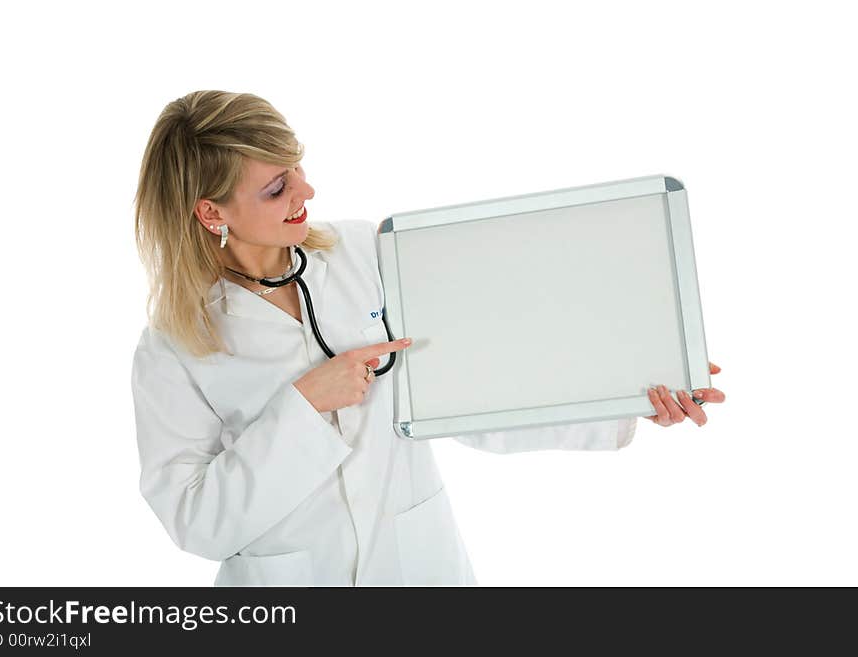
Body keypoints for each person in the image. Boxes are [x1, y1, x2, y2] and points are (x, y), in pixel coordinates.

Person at [130, 90, 726, 586]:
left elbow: (468, 389)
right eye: (276, 188)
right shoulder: (173, 346)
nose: (306, 193)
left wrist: (623, 397)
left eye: (298, 169)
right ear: (212, 213)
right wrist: (305, 405)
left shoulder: (366, 253)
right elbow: (195, 520)